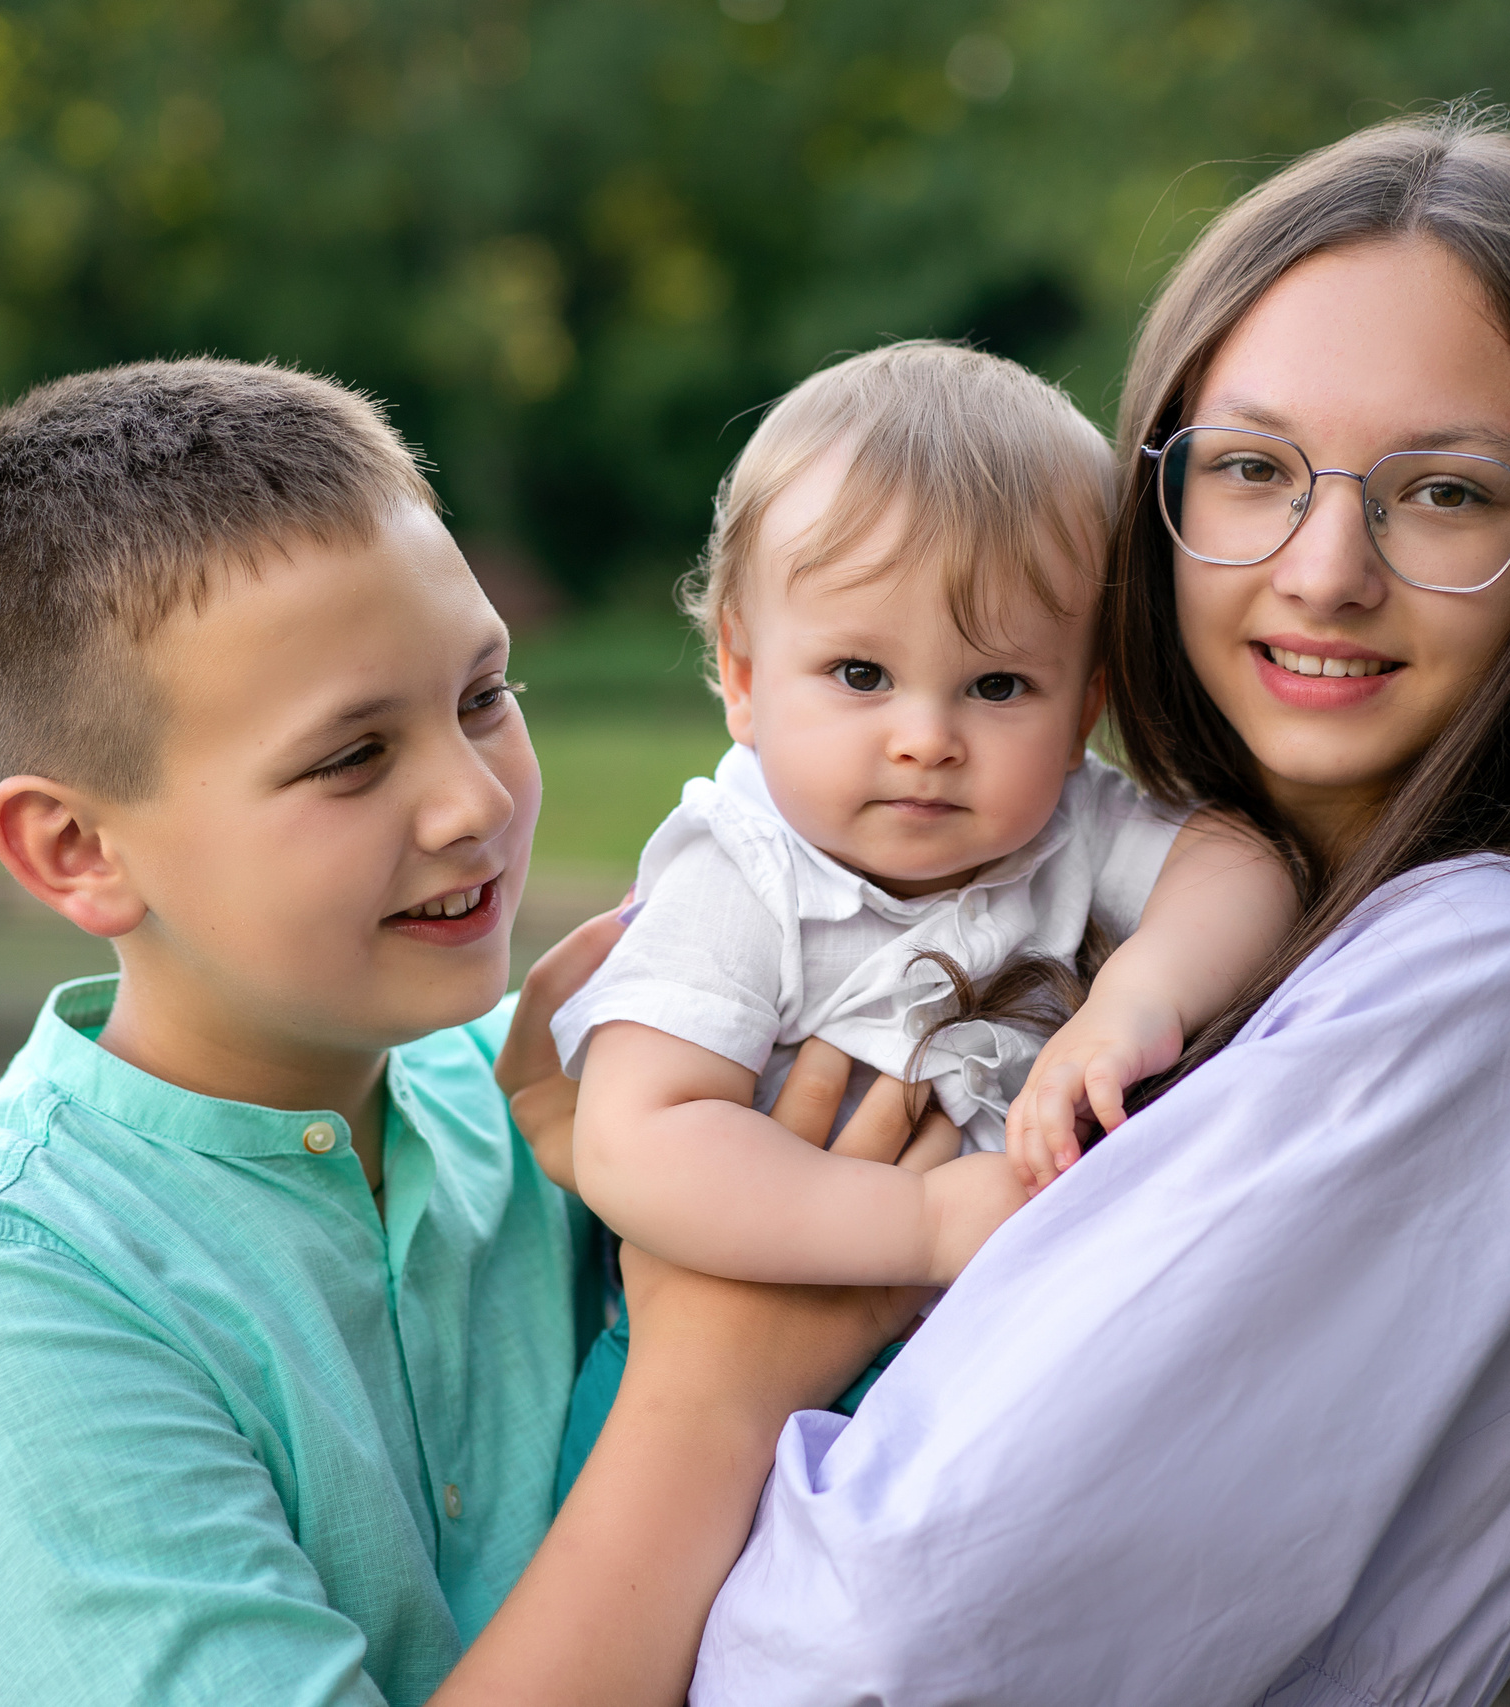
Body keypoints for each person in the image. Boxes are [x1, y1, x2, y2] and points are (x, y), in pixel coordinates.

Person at [679, 108, 1510, 1704]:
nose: (1327, 568)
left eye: (1447, 494)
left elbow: (874, 1650)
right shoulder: (1132, 908)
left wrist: (710, 1381)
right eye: (1255, 468)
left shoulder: (1507, 984)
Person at [0, 358, 935, 1707]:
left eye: (483, 694)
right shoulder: (1, 1303)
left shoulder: (578, 1098)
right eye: (350, 756)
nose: (471, 799)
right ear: (79, 846)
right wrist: (717, 1386)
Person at [541, 343, 1296, 1491]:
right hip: (721, 1369)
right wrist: (919, 1226)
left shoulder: (1067, 827)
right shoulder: (744, 872)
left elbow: (1245, 869)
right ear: (741, 677)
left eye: (997, 687)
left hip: (980, 1372)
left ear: (1084, 702)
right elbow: (635, 1141)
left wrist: (1140, 996)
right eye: (858, 674)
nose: (926, 737)